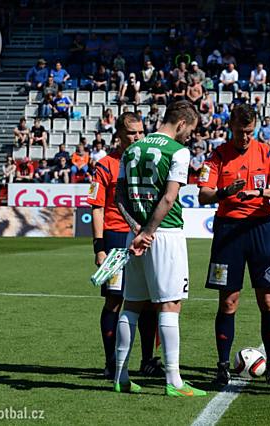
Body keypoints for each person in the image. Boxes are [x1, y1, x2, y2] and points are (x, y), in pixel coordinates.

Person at [113, 100, 206, 397]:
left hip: (137, 236)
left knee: (132, 304)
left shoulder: (131, 149)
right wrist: (150, 231)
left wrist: (137, 231)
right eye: (189, 131)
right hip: (163, 236)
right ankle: (174, 381)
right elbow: (168, 199)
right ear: (181, 123)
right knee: (170, 305)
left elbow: (119, 197)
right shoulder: (178, 151)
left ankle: (121, 375)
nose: (188, 136)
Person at [197, 103, 270, 386]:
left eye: (249, 132)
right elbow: (203, 195)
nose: (244, 137)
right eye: (239, 131)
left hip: (261, 228)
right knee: (228, 301)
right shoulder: (217, 156)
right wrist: (226, 192)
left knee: (268, 299)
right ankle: (222, 366)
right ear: (230, 127)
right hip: (228, 231)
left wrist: (260, 191)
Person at [87, 112, 164, 379]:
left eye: (142, 132)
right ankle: (111, 362)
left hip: (144, 236)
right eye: (132, 133)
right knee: (114, 299)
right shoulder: (105, 165)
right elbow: (97, 208)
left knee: (148, 299)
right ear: (118, 135)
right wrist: (99, 247)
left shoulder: (148, 161)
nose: (138, 138)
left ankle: (147, 360)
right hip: (116, 238)